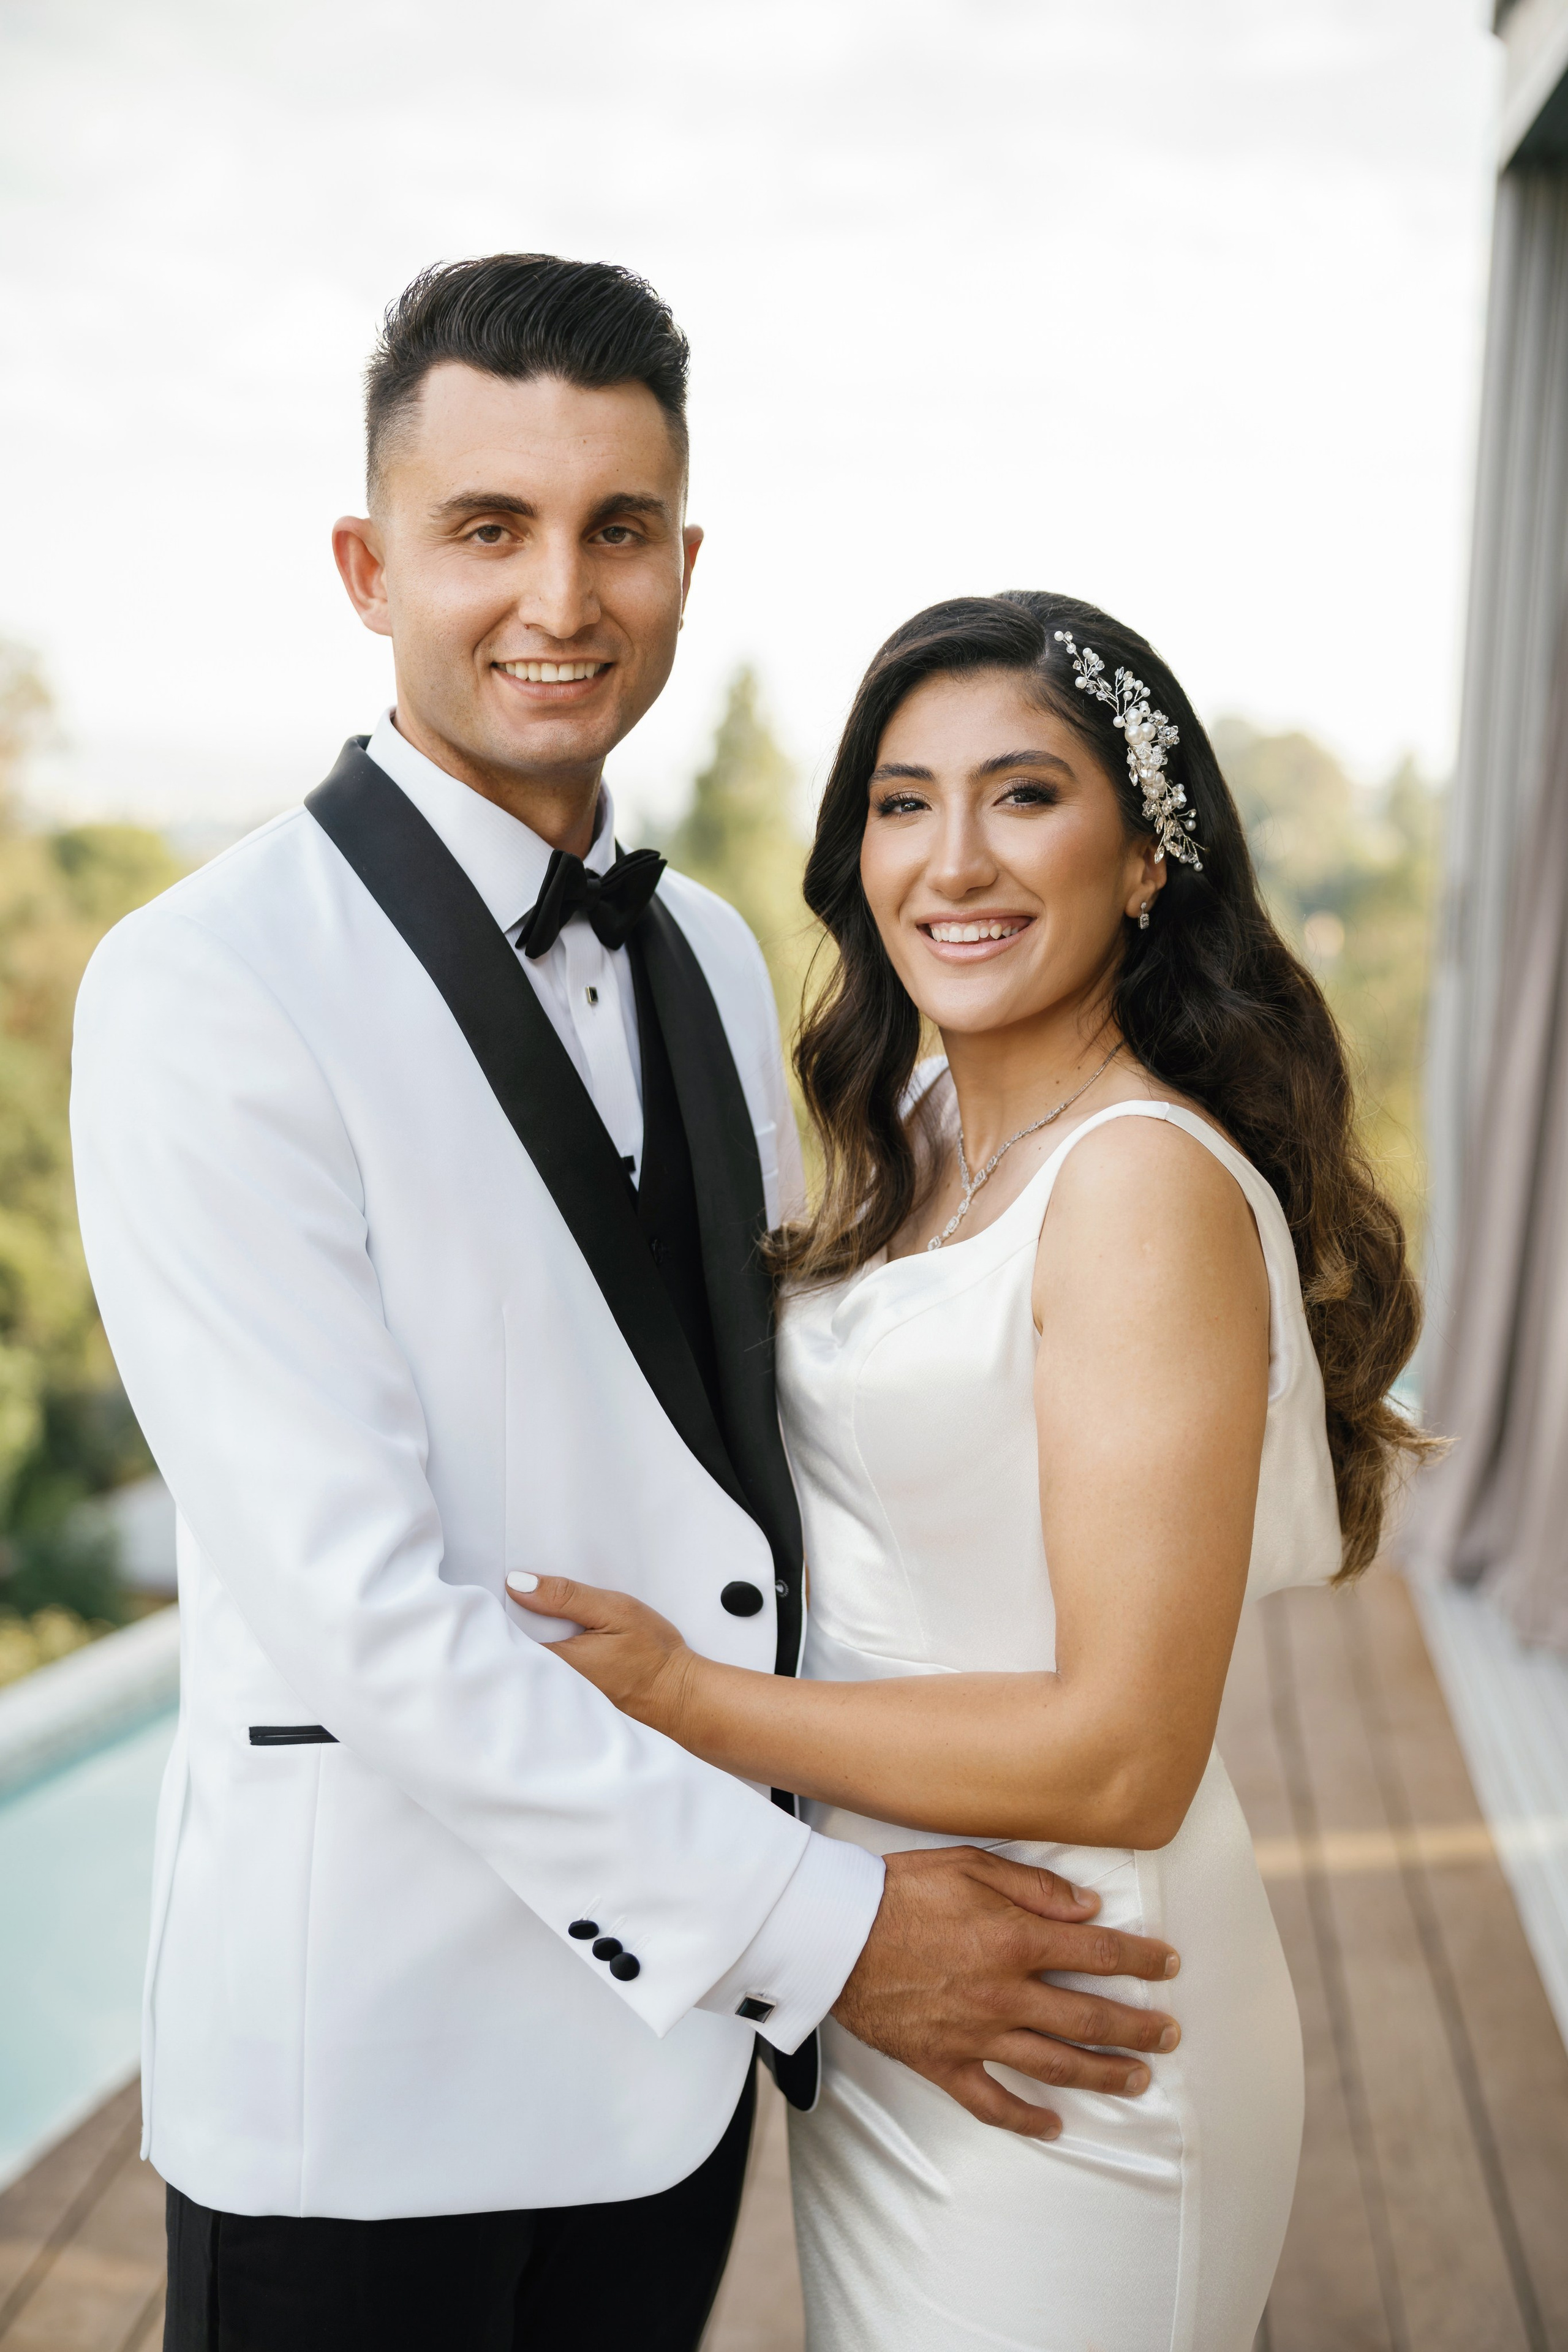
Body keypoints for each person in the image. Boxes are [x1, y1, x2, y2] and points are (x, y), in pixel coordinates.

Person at [70, 270, 1180, 2352]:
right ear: (365, 565)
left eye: (619, 528)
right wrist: (829, 1933)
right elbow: (359, 1608)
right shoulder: (200, 987)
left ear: (687, 559)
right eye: (488, 527)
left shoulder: (707, 956)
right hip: (371, 2082)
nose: (558, 597)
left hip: (664, 2092)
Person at [511, 590, 1431, 2351]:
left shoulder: (1139, 1186)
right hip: (905, 1974)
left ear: (1149, 857)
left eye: (1024, 796)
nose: (953, 860)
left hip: (1080, 2007)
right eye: (903, 800)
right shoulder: (924, 1130)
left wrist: (695, 1703)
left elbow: (1126, 1749)